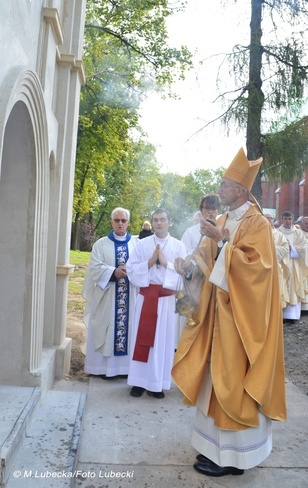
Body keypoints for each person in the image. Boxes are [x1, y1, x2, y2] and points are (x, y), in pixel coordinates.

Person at [172, 148, 287, 477]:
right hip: (216, 318)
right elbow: (206, 261)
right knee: (214, 381)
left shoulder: (257, 223)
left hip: (240, 321)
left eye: (224, 185)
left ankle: (235, 458)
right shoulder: (221, 220)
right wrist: (189, 268)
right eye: (221, 184)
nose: (219, 189)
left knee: (233, 381)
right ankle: (215, 451)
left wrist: (224, 242)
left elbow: (259, 271)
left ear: (240, 189)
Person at [126, 208, 187, 399]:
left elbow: (185, 275)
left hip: (166, 301)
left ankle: (156, 384)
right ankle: (138, 382)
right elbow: (130, 269)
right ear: (152, 223)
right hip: (146, 298)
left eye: (162, 220)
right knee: (142, 340)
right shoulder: (142, 244)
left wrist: (165, 263)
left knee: (162, 342)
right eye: (155, 220)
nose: (158, 223)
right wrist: (150, 262)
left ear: (170, 222)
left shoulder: (178, 246)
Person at [83, 208, 139, 378]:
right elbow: (94, 268)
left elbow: (143, 266)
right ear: (111, 222)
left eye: (123, 220)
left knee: (128, 329)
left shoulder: (136, 244)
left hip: (130, 295)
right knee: (106, 328)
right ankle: (101, 369)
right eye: (117, 220)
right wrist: (113, 272)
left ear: (128, 223)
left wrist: (131, 271)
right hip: (107, 295)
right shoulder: (101, 244)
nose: (120, 223)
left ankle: (124, 370)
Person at [277, 211, 308, 323]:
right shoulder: (276, 233)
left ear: (293, 219)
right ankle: (280, 315)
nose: (288, 221)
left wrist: (292, 248)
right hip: (281, 264)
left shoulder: (298, 233)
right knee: (282, 287)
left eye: (290, 219)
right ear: (282, 219)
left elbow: (304, 247)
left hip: (294, 264)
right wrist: (284, 249)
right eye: (285, 219)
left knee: (294, 286)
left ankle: (292, 316)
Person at [264, 212, 291, 309]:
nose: (268, 220)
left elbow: (285, 248)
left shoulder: (279, 235)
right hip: (261, 268)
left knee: (276, 290)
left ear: (273, 220)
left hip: (276, 267)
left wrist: (271, 248)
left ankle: (277, 315)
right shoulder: (257, 233)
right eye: (266, 218)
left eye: (270, 218)